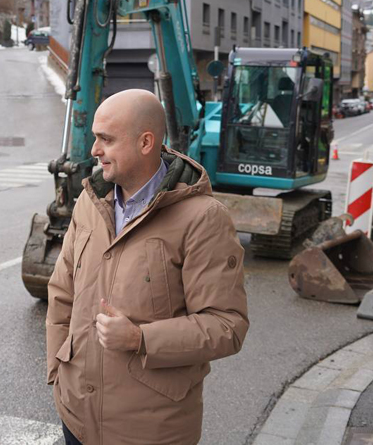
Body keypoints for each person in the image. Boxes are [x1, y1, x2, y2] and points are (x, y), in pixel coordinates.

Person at [46, 89, 249, 445]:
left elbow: (227, 325)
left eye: (106, 139)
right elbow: (62, 293)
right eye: (95, 137)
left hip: (150, 431)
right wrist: (57, 371)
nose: (94, 150)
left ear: (145, 142)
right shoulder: (90, 203)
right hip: (76, 417)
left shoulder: (203, 218)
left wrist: (140, 339)